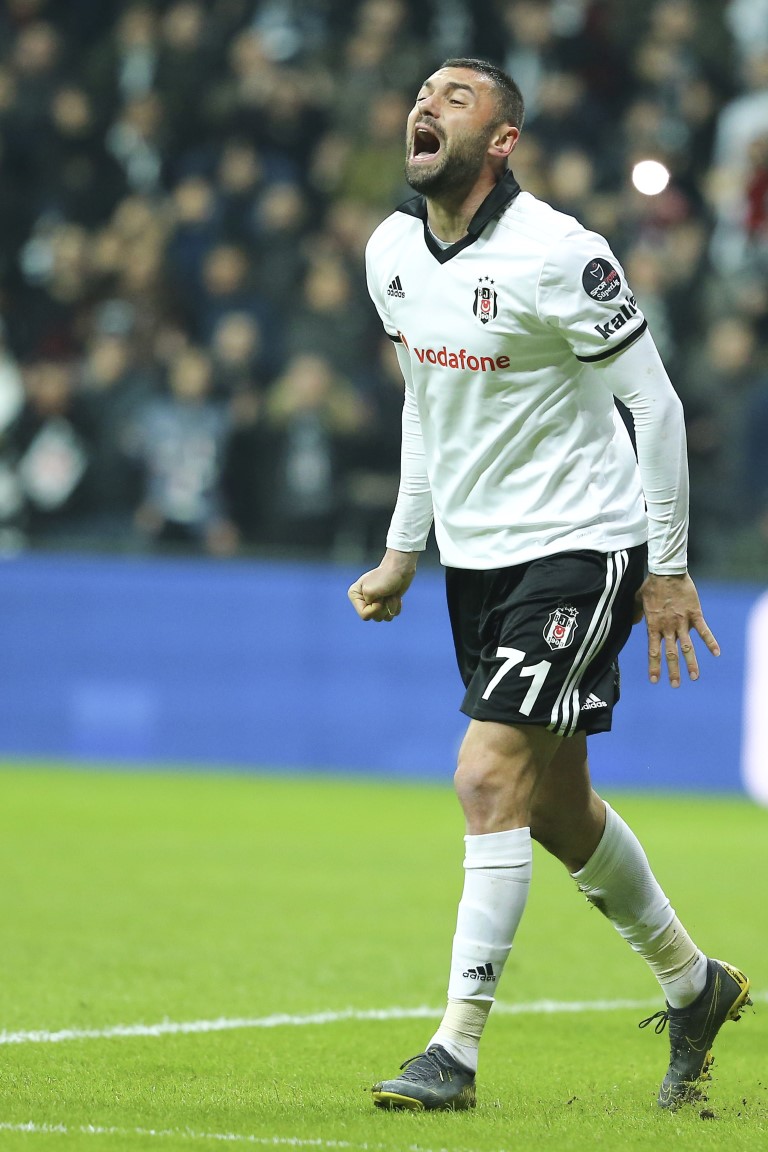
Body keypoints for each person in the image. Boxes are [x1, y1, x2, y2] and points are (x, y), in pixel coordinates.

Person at [347, 57, 751, 1113]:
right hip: (479, 560)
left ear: (504, 141)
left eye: (457, 98)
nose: (427, 105)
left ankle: (454, 1052)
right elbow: (426, 406)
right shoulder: (392, 254)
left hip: (583, 546)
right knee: (556, 806)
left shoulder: (560, 255)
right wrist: (403, 551)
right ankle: (694, 985)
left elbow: (656, 407)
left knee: (487, 777)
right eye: (423, 93)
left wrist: (668, 568)